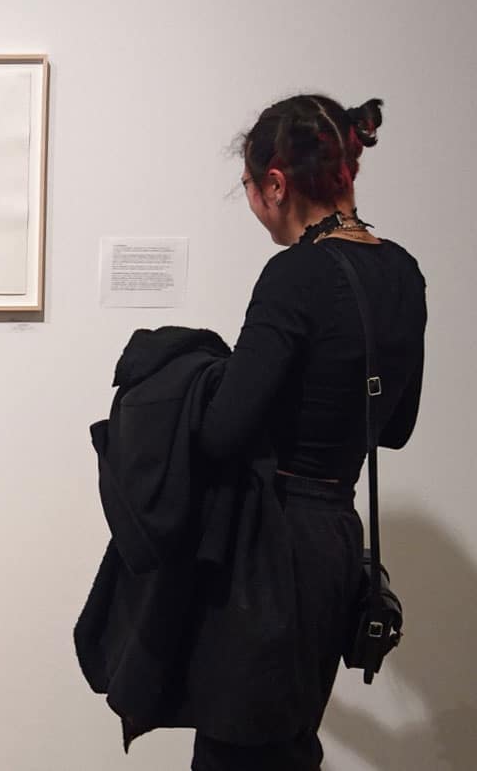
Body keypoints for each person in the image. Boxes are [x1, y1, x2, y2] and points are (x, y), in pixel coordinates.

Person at [191, 94, 427, 769]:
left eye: (246, 186)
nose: (250, 202)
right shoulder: (401, 272)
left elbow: (221, 432)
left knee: (236, 751)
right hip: (333, 542)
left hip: (271, 545)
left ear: (274, 182)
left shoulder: (292, 275)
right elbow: (397, 425)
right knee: (287, 745)